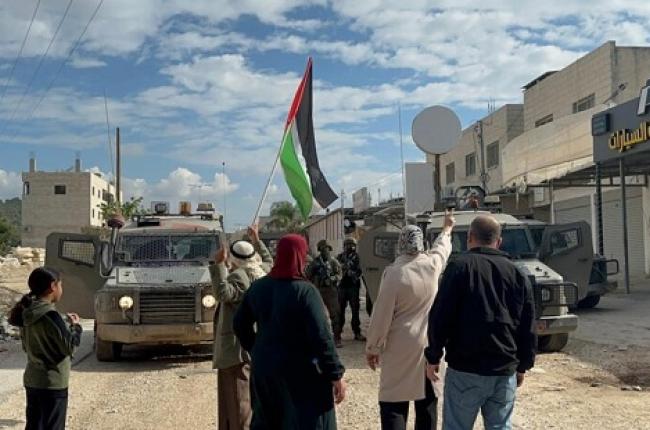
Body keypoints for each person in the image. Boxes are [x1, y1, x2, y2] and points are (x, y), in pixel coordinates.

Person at [425, 215, 537, 430]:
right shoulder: (517, 273)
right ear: (499, 241)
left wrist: (433, 356)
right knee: (500, 426)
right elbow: (528, 324)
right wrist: (524, 364)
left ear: (469, 237)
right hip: (503, 369)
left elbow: (440, 315)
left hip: (465, 369)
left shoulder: (459, 267)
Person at [233, 234, 346, 429]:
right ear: (300, 256)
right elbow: (321, 336)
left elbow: (239, 324)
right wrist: (335, 374)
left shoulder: (258, 287)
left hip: (265, 370)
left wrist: (258, 349)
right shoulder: (305, 291)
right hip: (301, 372)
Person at [365, 211, 455, 430]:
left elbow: (381, 315)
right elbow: (442, 248)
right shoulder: (432, 265)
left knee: (394, 401)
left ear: (401, 244)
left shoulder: (394, 273)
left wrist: (373, 347)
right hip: (428, 343)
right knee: (427, 401)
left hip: (400, 346)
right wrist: (447, 228)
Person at [211, 224, 273, 430]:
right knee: (241, 401)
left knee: (237, 403)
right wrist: (256, 240)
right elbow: (269, 261)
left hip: (235, 351)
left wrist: (219, 264)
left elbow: (223, 293)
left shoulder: (239, 276)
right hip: (252, 346)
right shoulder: (262, 272)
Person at [7, 267, 83, 430]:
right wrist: (76, 327)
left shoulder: (27, 312)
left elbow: (27, 347)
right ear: (53, 286)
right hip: (52, 383)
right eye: (60, 285)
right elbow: (70, 347)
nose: (61, 289)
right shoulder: (50, 315)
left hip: (33, 379)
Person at [305, 240, 343, 347]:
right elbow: (308, 275)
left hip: (331, 291)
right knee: (317, 315)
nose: (325, 251)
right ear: (320, 250)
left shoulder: (333, 262)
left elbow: (339, 274)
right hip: (319, 291)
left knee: (335, 315)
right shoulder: (315, 263)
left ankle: (337, 338)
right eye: (323, 249)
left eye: (327, 249)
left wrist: (332, 278)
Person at [336, 238, 365, 341]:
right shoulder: (340, 257)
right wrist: (342, 270)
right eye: (348, 245)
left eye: (352, 245)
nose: (350, 247)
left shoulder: (358, 257)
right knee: (340, 311)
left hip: (353, 287)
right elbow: (336, 269)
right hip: (342, 287)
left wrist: (352, 273)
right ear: (344, 246)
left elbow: (361, 271)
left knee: (355, 311)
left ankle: (357, 332)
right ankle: (337, 333)